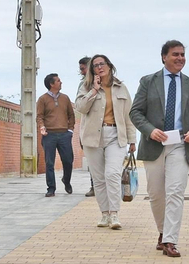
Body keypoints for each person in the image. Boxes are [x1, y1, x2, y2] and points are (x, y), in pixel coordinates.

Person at [129, 39, 189, 257]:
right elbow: (135, 112)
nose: (180, 58)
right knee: (156, 194)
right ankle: (163, 232)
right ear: (164, 57)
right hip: (154, 144)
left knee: (175, 192)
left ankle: (170, 240)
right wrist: (149, 130)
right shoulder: (148, 81)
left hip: (180, 145)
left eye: (183, 54)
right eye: (175, 54)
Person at [74, 54, 137, 230]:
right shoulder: (85, 86)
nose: (99, 67)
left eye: (102, 64)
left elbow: (129, 116)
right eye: (95, 65)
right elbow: (80, 108)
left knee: (112, 174)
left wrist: (132, 139)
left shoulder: (121, 88)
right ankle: (104, 214)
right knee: (99, 178)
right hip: (93, 136)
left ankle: (115, 213)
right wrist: (94, 91)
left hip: (116, 135)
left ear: (109, 66)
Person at [36, 73, 75, 197]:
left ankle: (66, 181)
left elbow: (71, 115)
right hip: (49, 135)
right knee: (49, 162)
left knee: (68, 161)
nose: (61, 82)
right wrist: (42, 127)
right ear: (51, 84)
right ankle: (51, 188)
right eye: (58, 81)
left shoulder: (65, 98)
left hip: (64, 134)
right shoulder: (43, 99)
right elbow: (39, 116)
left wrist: (70, 130)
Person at [76, 57, 97, 198]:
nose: (81, 71)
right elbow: (80, 107)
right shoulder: (83, 85)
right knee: (93, 161)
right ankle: (94, 186)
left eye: (83, 68)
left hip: (106, 128)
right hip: (89, 127)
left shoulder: (107, 82)